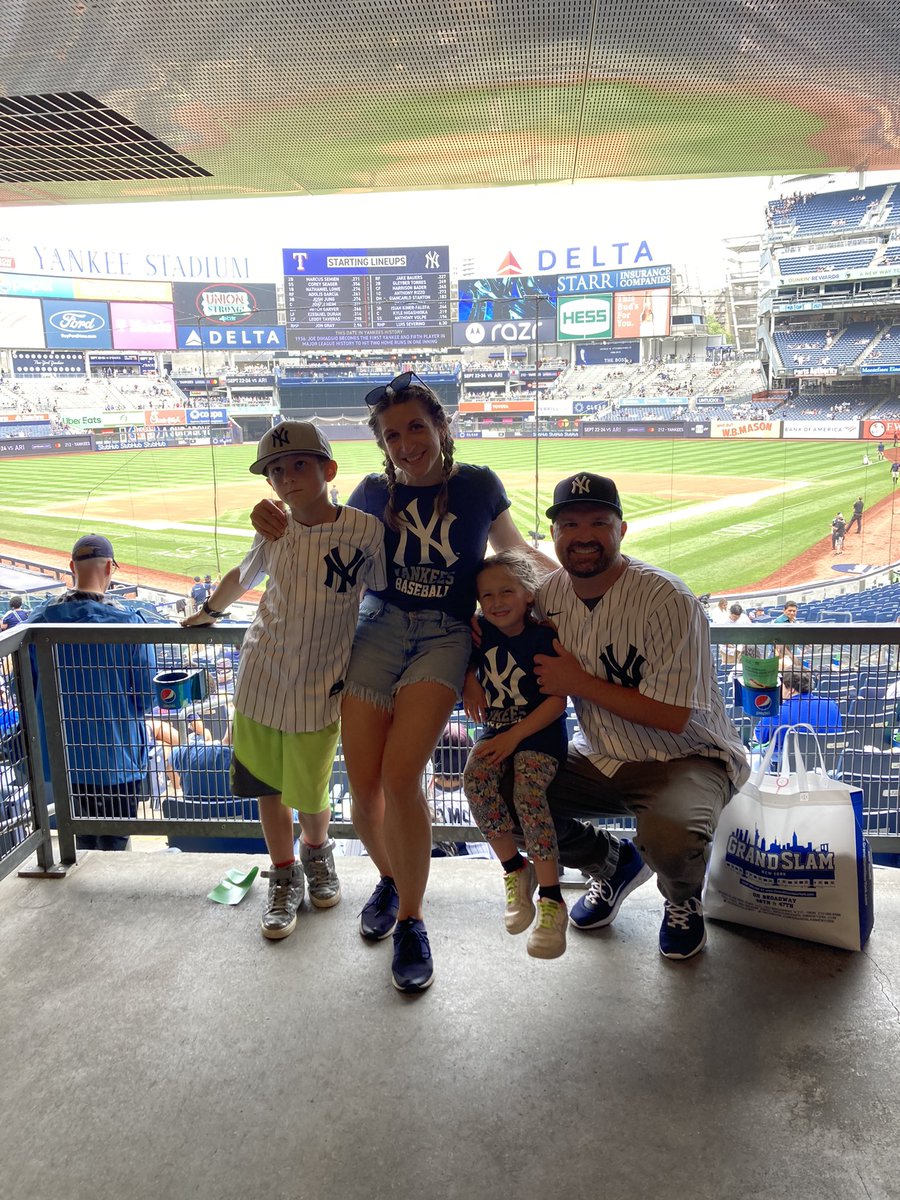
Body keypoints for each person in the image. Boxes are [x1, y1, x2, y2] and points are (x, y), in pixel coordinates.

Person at [250, 371, 552, 991]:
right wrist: (273, 513)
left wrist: (577, 591)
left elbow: (515, 552)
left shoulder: (477, 484)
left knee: (400, 775)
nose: (407, 441)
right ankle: (390, 879)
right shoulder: (367, 492)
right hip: (377, 628)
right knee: (362, 785)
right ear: (382, 444)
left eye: (417, 425)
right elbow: (317, 529)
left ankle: (412, 919)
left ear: (440, 425)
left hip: (444, 638)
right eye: (393, 434)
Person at [526, 473, 748, 961]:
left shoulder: (668, 599)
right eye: (569, 524)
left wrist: (579, 684)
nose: (583, 535)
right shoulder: (547, 597)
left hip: (687, 756)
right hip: (600, 754)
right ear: (554, 535)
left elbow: (672, 717)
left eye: (598, 522)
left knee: (670, 838)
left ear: (621, 530)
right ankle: (612, 862)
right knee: (507, 791)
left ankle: (683, 901)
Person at [184, 421, 386, 940]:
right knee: (268, 788)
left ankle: (318, 856)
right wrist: (208, 610)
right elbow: (242, 577)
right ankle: (283, 873)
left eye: (299, 464)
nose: (288, 476)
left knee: (312, 789)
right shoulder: (272, 527)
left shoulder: (365, 530)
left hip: (322, 685)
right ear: (269, 484)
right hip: (261, 677)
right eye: (277, 470)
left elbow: (385, 595)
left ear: (329, 470)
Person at [462, 551, 569, 959]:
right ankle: (514, 869)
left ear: (528, 595)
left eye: (507, 591)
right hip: (497, 729)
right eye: (486, 595)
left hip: (538, 734)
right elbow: (469, 667)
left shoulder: (542, 637)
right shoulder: (479, 633)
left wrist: (513, 738)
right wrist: (469, 683)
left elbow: (556, 703)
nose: (496, 601)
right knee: (475, 779)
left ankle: (553, 898)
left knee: (527, 791)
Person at [29, 535, 156, 852]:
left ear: (71, 567)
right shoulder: (131, 623)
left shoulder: (39, 622)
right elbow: (146, 696)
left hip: (63, 760)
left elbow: (31, 692)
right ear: (111, 568)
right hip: (118, 757)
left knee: (82, 843)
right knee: (116, 841)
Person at [753, 668, 842, 758]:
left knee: (756, 751)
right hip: (828, 763)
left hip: (786, 767)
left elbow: (759, 738)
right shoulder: (832, 705)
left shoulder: (777, 712)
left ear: (791, 690)